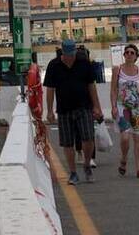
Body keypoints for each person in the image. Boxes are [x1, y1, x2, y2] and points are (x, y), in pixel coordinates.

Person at [45, 39, 103, 185]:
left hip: (84, 107)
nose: (71, 57)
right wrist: (50, 110)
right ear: (63, 52)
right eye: (68, 54)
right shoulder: (54, 65)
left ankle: (87, 164)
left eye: (73, 54)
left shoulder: (84, 63)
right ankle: (73, 173)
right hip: (64, 109)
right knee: (67, 143)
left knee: (88, 138)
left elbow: (91, 86)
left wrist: (97, 106)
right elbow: (50, 89)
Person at [110, 44, 139, 179]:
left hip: (137, 108)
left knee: (137, 139)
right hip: (123, 107)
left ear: (136, 56)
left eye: (132, 53)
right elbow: (113, 89)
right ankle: (123, 158)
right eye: (127, 52)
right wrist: (113, 106)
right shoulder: (117, 69)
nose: (129, 54)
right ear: (124, 55)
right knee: (125, 137)